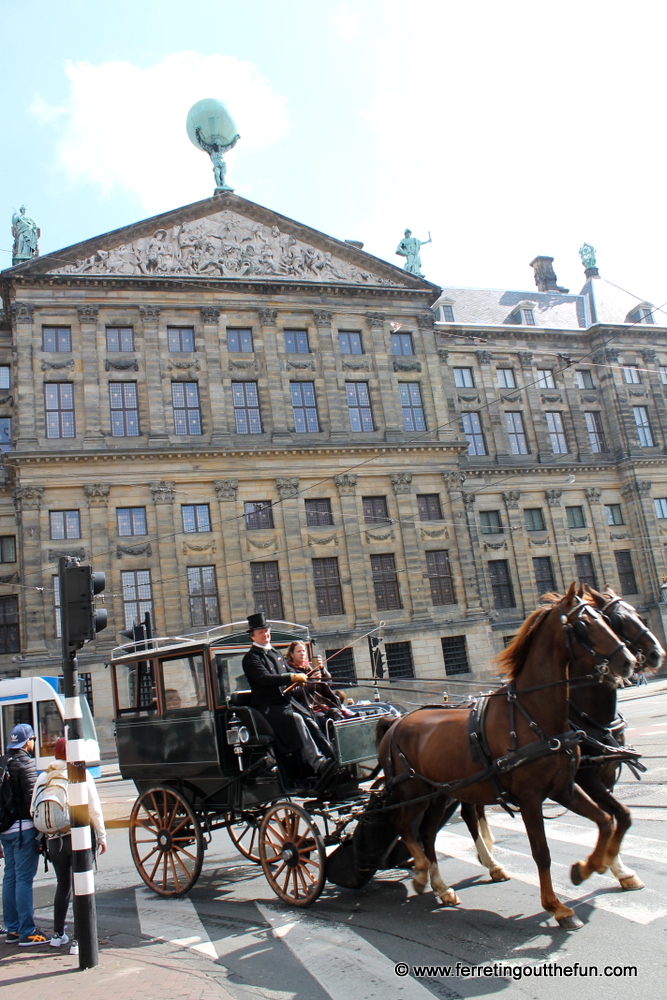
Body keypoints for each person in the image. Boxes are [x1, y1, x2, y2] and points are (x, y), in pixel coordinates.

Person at [30, 737, 107, 956]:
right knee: (81, 887)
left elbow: (33, 809)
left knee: (63, 885)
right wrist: (102, 837)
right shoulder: (80, 774)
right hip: (78, 838)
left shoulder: (44, 776)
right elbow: (94, 809)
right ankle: (78, 940)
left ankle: (57, 935)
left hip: (53, 841)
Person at [242, 613, 335, 782]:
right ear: (252, 636)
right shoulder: (251, 658)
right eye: (260, 632)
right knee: (297, 719)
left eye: (266, 631)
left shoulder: (275, 652)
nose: (265, 634)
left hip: (285, 702)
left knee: (312, 718)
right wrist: (291, 678)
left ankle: (332, 756)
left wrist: (309, 674)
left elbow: (290, 672)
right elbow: (265, 679)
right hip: (269, 707)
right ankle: (318, 763)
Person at [0, 723, 45, 946]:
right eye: (33, 739)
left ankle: (13, 928)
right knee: (24, 879)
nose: (33, 743)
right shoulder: (25, 764)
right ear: (27, 741)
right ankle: (27, 931)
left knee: (10, 877)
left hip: (5, 830)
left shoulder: (2, 762)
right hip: (23, 829)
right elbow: (32, 803)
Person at [285, 642, 354, 728]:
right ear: (292, 654)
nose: (302, 653)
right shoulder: (289, 670)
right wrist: (311, 682)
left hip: (325, 704)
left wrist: (322, 669)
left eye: (303, 651)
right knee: (327, 722)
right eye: (299, 651)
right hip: (309, 708)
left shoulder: (311, 666)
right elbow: (293, 693)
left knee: (348, 717)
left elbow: (328, 682)